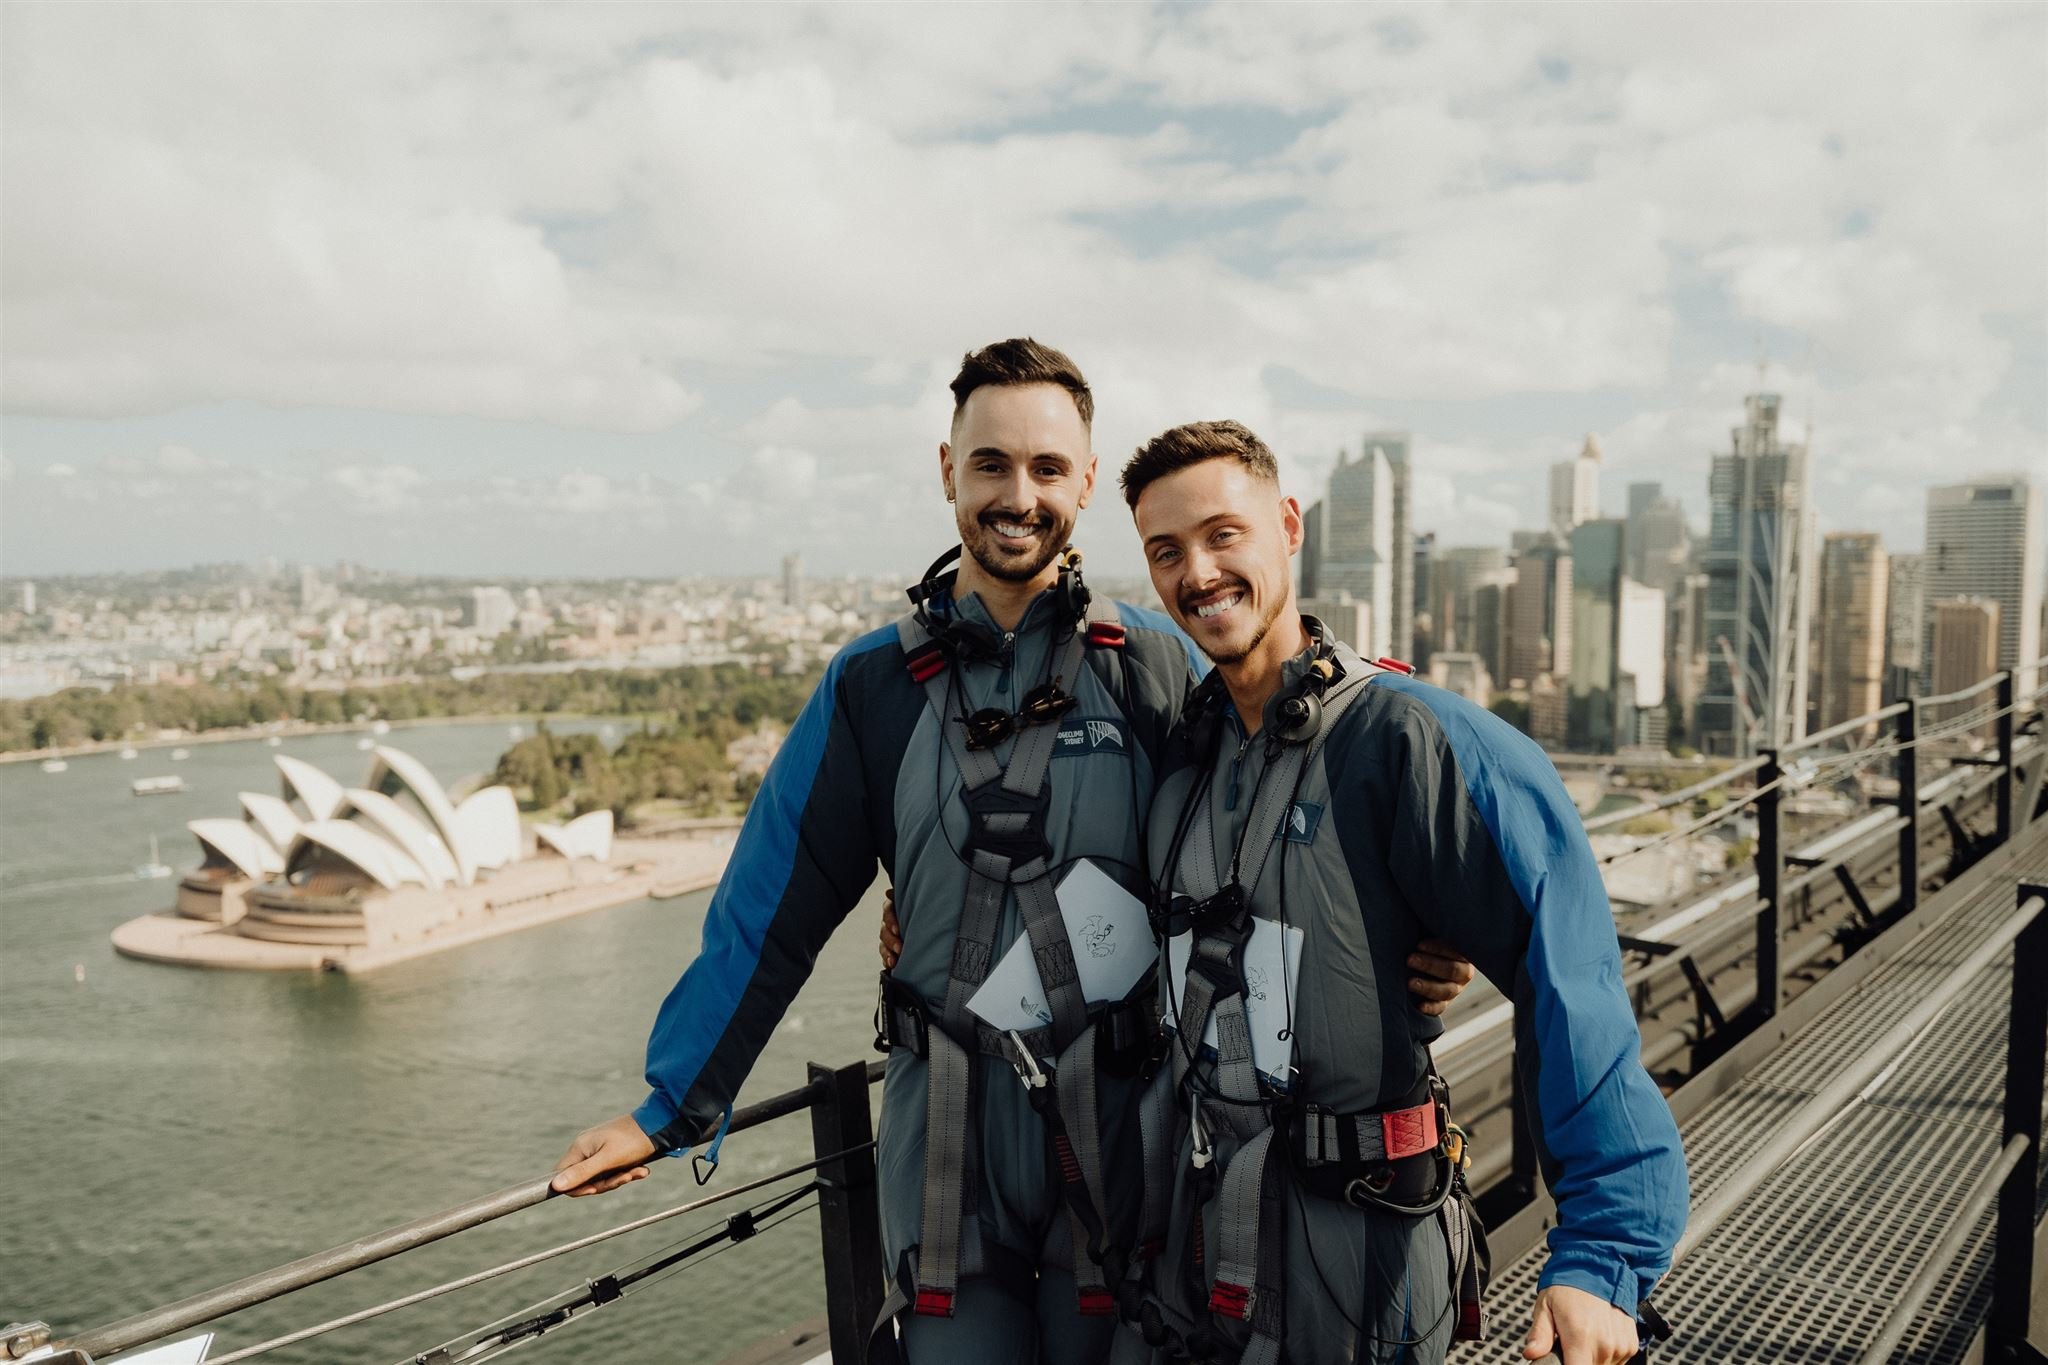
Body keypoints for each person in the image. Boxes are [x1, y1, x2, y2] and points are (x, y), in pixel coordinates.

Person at [551, 339, 1476, 1365]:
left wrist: (1416, 941)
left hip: (1122, 1139)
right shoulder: (872, 687)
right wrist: (670, 1109)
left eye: (1046, 470)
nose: (1016, 495)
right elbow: (773, 906)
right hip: (946, 1142)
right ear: (946, 470)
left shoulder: (1152, 668)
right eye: (989, 464)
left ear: (1084, 484)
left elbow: (1255, 834)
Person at [1109, 420, 1688, 1365]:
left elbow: (1569, 978)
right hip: (1201, 1242)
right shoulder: (1185, 756)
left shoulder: (1410, 740)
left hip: (1359, 1254)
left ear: (1288, 526)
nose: (1198, 572)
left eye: (1224, 534)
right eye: (1166, 551)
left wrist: (1601, 1256)